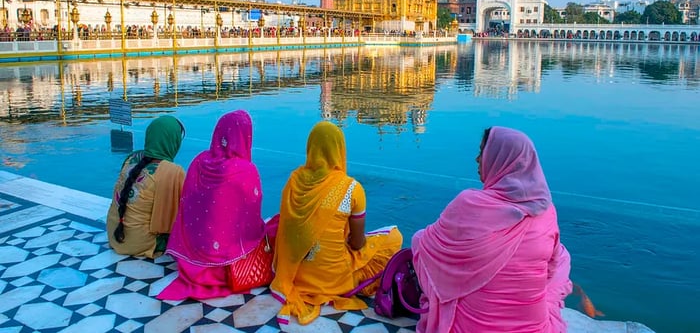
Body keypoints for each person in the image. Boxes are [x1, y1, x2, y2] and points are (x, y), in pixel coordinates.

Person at [412, 126, 572, 333]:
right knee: (562, 256)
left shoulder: (469, 204)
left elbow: (428, 248)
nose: (477, 160)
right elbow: (549, 272)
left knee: (420, 241)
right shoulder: (546, 210)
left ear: (501, 160)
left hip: (470, 327)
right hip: (533, 327)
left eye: (482, 153)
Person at [271, 121, 403, 326]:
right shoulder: (351, 188)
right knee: (394, 236)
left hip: (294, 276)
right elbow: (357, 244)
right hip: (333, 280)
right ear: (339, 150)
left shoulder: (294, 181)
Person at [157, 110, 272, 300]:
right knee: (272, 228)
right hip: (228, 266)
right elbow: (251, 224)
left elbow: (188, 208)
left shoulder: (199, 161)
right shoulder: (246, 171)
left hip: (191, 258)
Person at [107, 115, 186, 258]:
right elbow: (181, 213)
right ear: (173, 141)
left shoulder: (132, 158)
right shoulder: (173, 171)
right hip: (139, 242)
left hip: (114, 233)